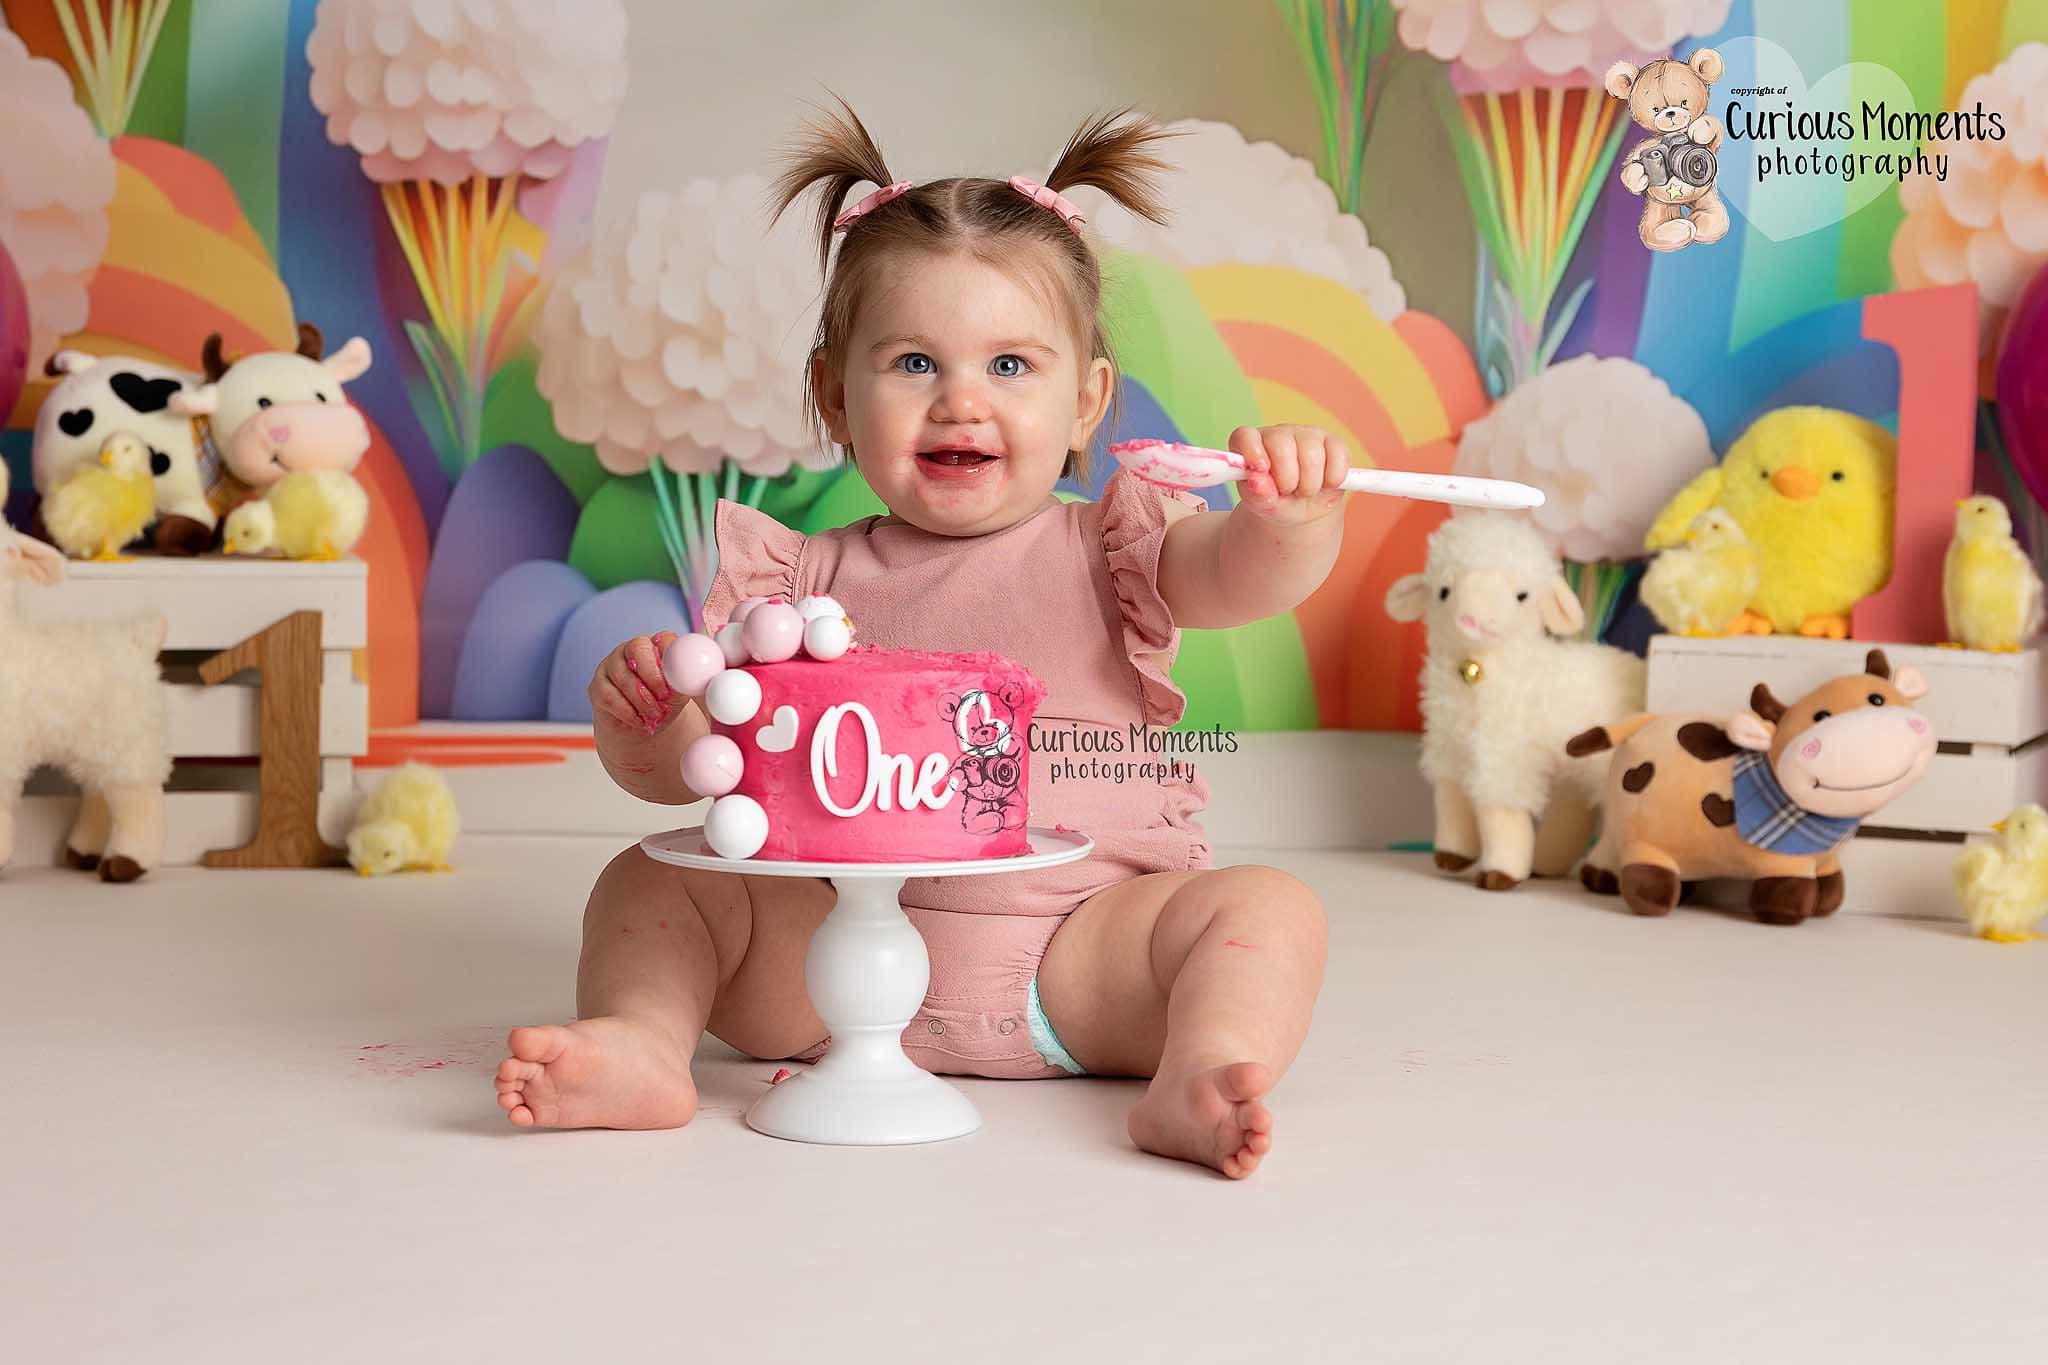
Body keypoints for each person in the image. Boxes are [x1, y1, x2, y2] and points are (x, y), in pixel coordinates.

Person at [497, 100, 1350, 1179]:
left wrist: (1291, 520)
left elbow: (1239, 579)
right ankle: (643, 1042)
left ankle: (1200, 1069)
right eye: (910, 364)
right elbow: (692, 774)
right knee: (649, 880)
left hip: (1074, 954)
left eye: (1009, 366)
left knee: (1266, 911)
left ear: (1088, 400)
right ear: (832, 397)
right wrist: (646, 724)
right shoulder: (792, 586)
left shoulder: (1113, 547)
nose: (959, 402)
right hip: (819, 965)